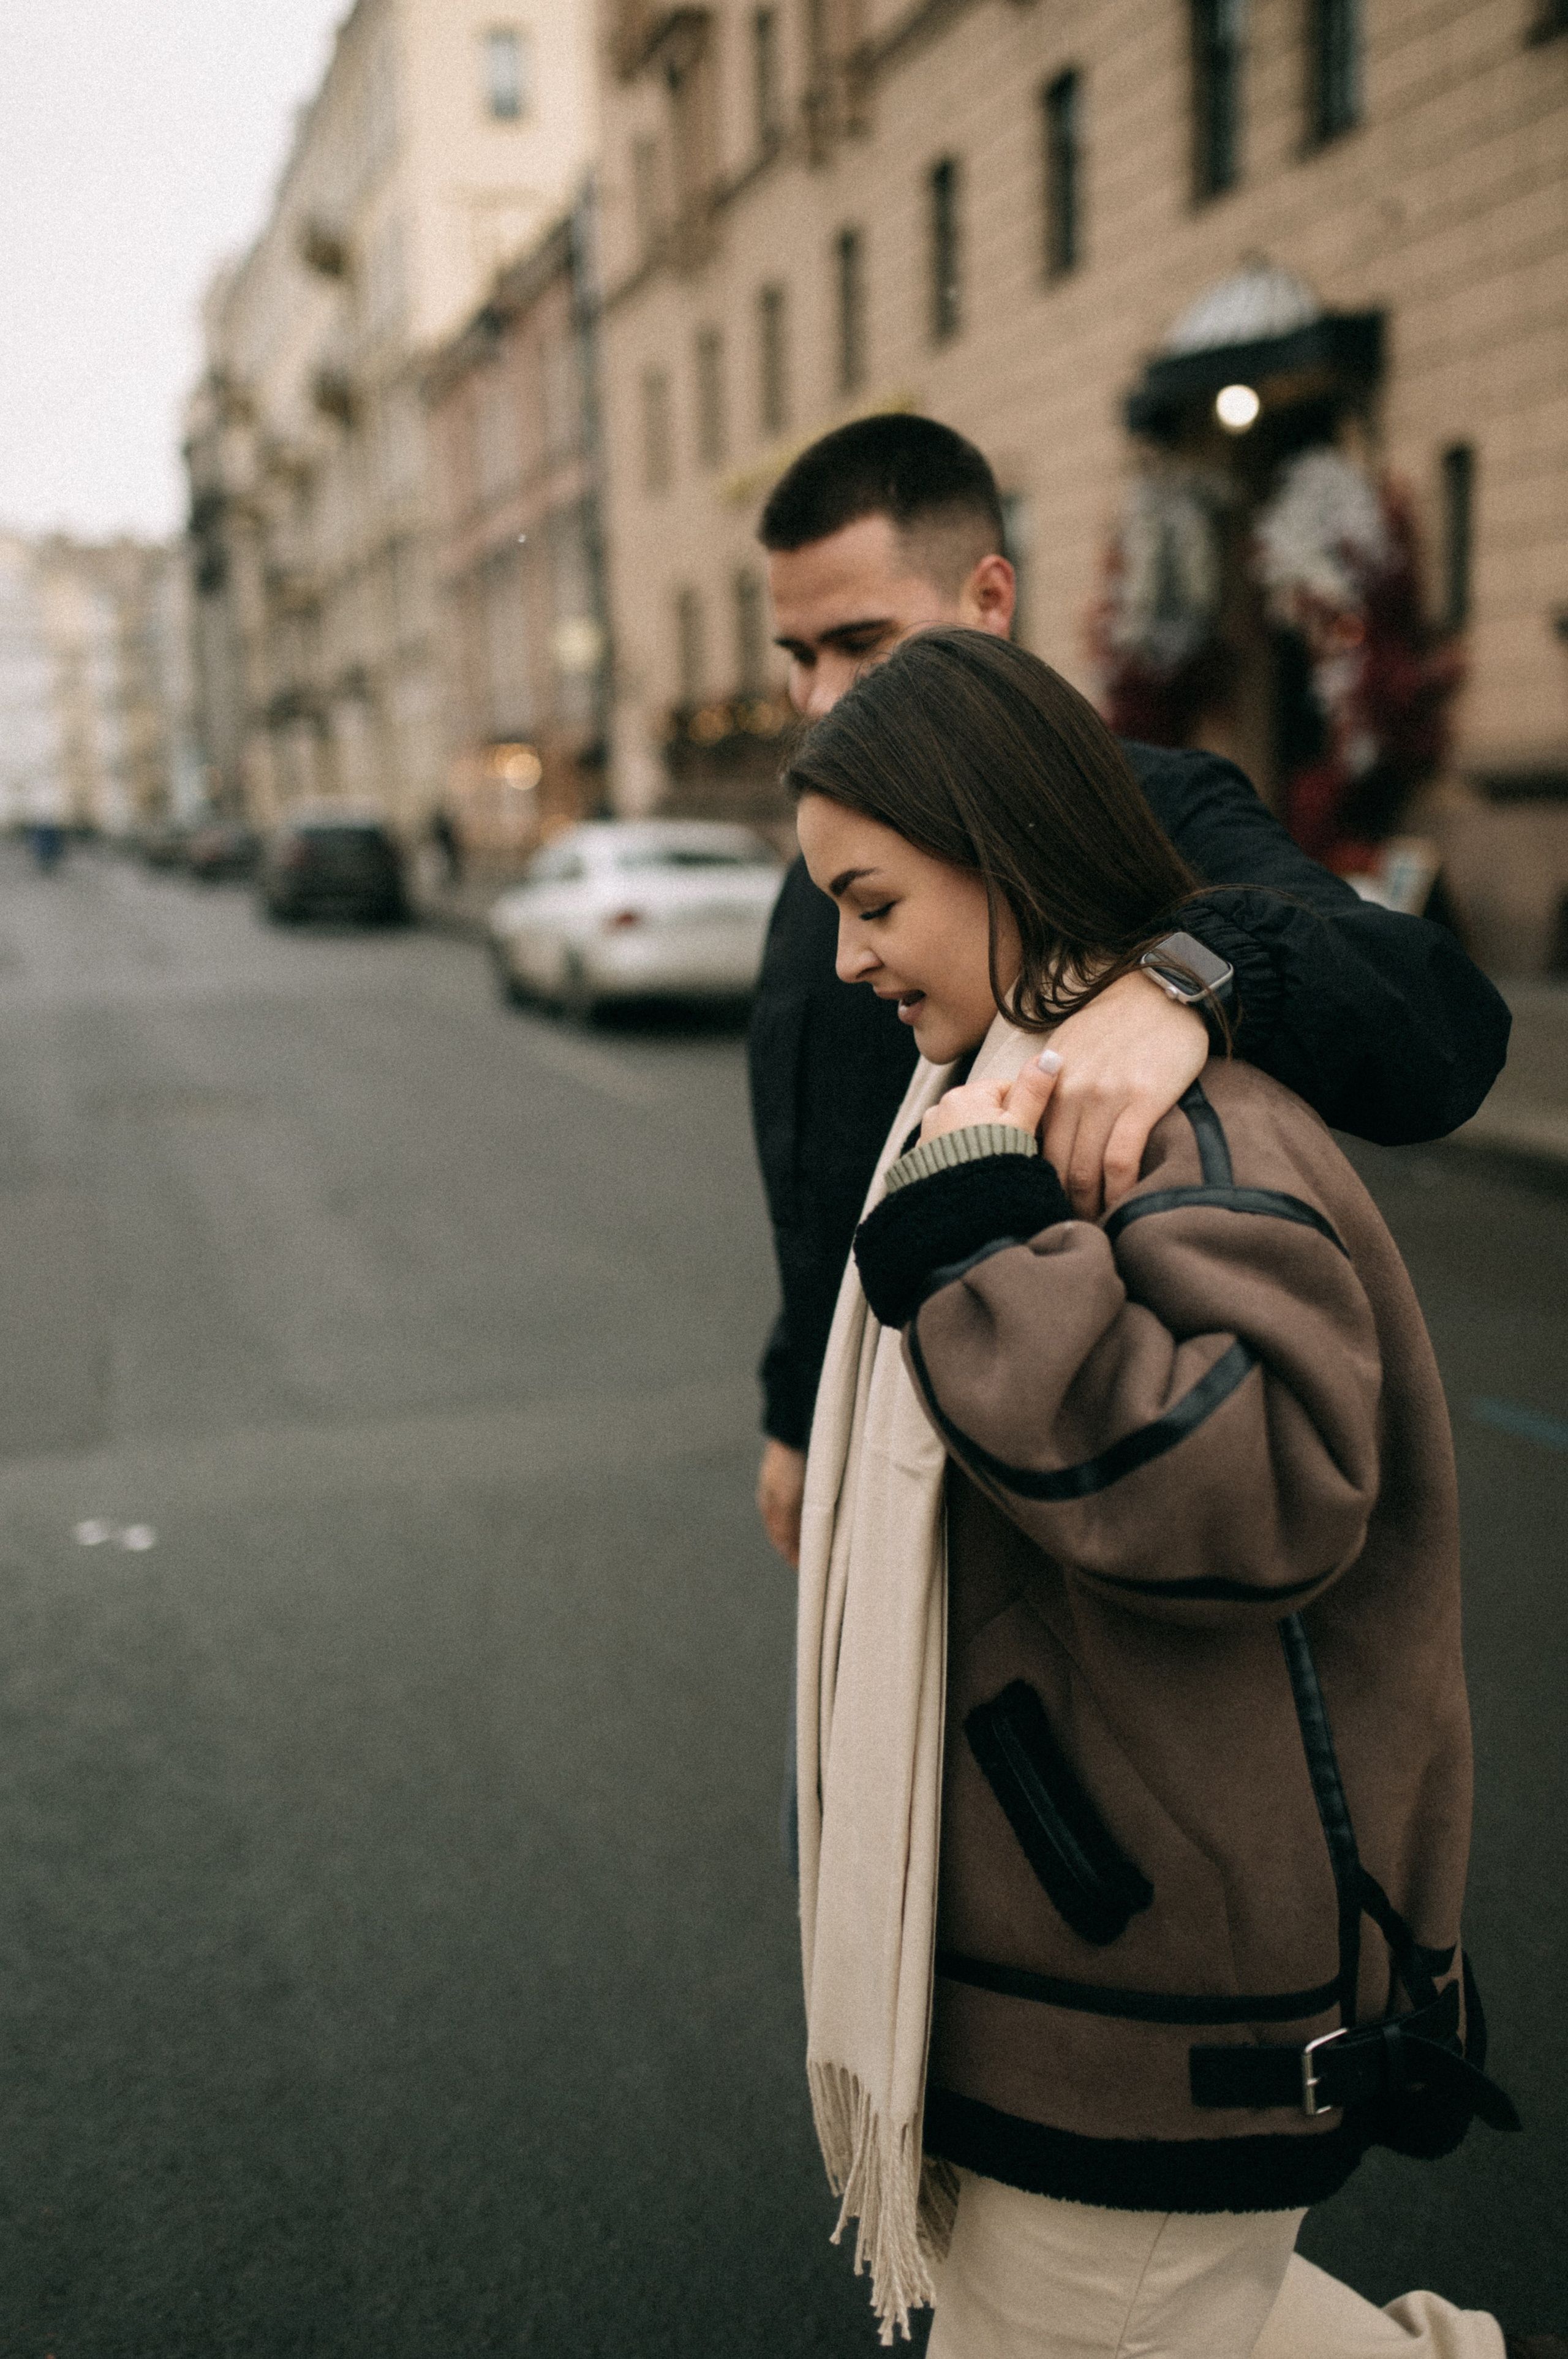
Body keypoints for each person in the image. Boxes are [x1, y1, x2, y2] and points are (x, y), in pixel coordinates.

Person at [789, 627, 1528, 2358]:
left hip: (1158, 1989)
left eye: (876, 900)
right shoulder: (987, 1087)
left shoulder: (1161, 1129)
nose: (845, 957)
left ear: (999, 848)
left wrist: (981, 1267)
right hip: (1077, 1971)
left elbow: (1265, 1490)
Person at [747, 416, 1510, 1573]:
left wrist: (1189, 978)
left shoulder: (1151, 804)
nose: (820, 696)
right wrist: (795, 1406)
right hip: (880, 1461)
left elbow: (1443, 1020)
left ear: (989, 599)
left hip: (1085, 1503)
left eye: (862, 643)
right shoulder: (831, 878)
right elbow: (822, 1184)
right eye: (797, 656)